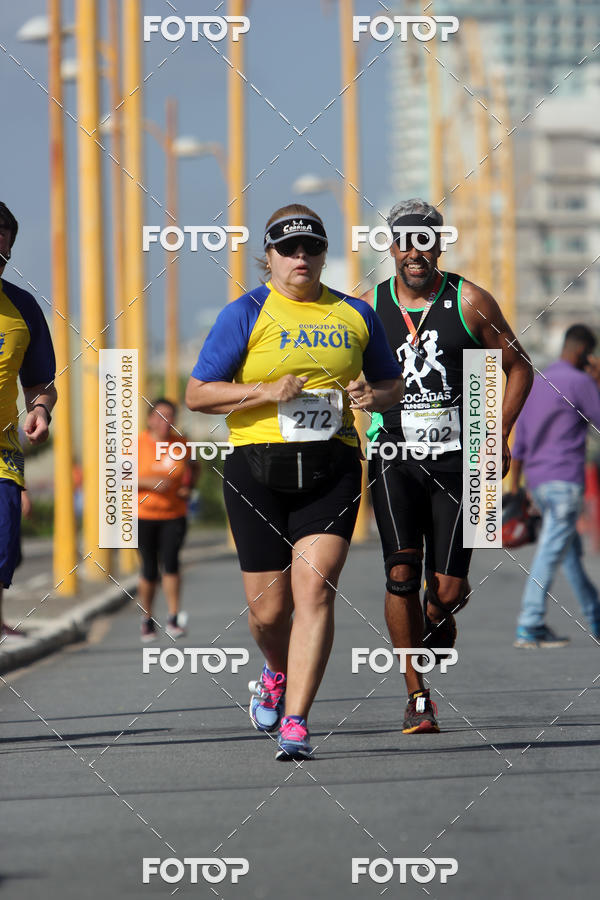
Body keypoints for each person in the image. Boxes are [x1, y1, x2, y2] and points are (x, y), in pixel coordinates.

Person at [186, 203, 403, 760]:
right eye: (288, 249)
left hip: (331, 468)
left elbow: (390, 383)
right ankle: (275, 671)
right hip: (256, 471)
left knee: (316, 589)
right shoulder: (246, 312)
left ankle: (298, 721)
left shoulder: (356, 313)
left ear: (325, 254)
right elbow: (198, 394)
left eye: (311, 248)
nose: (300, 258)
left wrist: (370, 396)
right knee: (267, 611)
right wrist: (264, 391)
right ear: (270, 257)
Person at [361, 198, 533, 733]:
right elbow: (342, 372)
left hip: (461, 458)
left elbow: (518, 366)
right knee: (399, 574)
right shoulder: (369, 307)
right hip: (392, 454)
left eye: (427, 239)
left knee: (448, 590)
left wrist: (498, 431)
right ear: (390, 247)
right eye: (406, 240)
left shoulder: (470, 300)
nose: (417, 250)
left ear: (440, 244)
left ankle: (438, 612)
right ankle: (417, 696)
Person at [512, 324, 600, 647]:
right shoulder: (579, 381)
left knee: (570, 555)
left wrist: (516, 484)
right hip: (564, 480)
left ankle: (597, 616)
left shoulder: (540, 381)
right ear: (583, 352)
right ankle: (530, 623)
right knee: (551, 551)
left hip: (538, 481)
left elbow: (520, 439)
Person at [0, 201, 57, 637]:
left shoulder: (23, 307)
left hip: (4, 453)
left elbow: (40, 382)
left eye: (4, 231)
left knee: (3, 550)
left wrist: (39, 409)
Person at [137, 398, 198, 642]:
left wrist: (188, 487)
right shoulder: (136, 444)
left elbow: (194, 467)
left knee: (171, 562)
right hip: (143, 515)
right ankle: (147, 619)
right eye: (160, 416)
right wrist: (147, 483)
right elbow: (117, 475)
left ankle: (173, 618)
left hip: (174, 514)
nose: (165, 421)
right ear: (150, 419)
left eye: (170, 416)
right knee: (149, 568)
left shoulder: (181, 444)